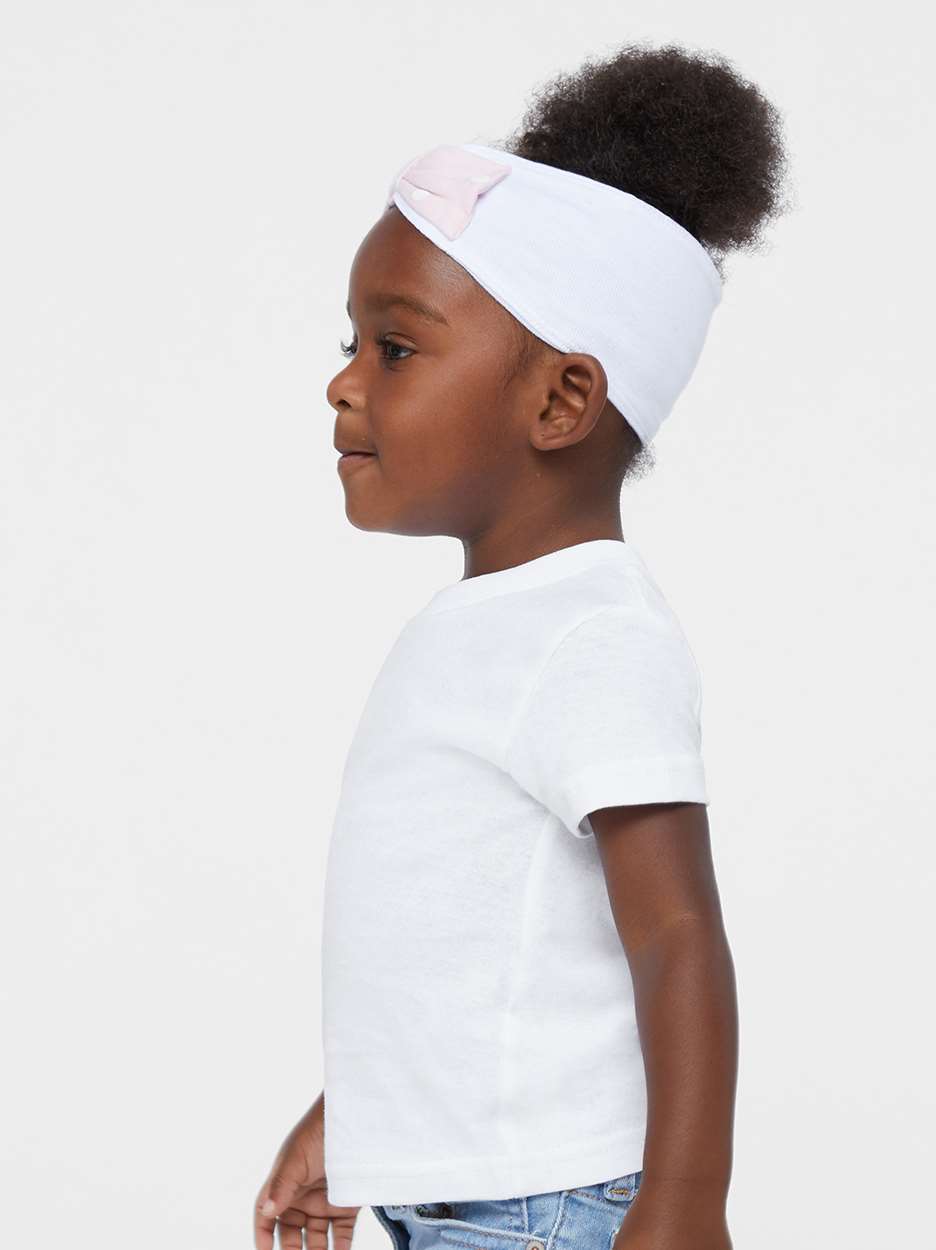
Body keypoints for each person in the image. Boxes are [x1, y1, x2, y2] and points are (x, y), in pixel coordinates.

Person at [254, 38, 790, 1250]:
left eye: (394, 348)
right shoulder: (482, 625)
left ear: (559, 400)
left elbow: (676, 934)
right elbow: (467, 945)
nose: (344, 385)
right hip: (467, 1204)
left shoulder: (593, 632)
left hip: (545, 1215)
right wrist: (359, 1120)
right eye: (349, 345)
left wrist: (684, 1202)